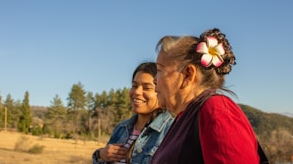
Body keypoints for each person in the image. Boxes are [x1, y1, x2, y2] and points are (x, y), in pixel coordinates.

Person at [151, 28, 265, 164]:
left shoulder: (217, 110)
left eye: (159, 70)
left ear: (188, 74)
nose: (154, 80)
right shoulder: (184, 117)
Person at [92, 62, 174, 164]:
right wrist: (100, 155)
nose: (137, 92)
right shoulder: (121, 128)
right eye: (134, 86)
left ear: (161, 89)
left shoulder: (171, 130)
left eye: (147, 87)